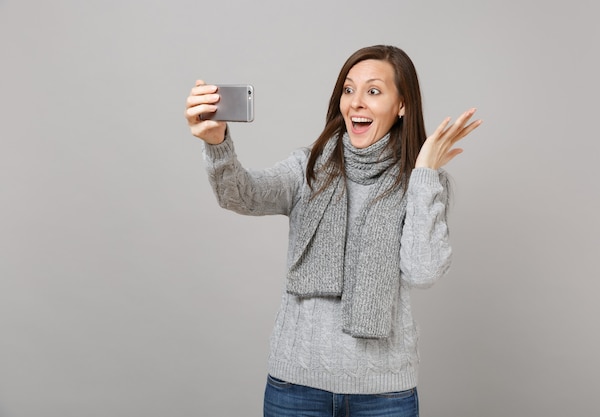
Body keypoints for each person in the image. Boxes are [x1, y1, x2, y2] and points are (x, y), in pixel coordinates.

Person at [184, 45, 481, 417]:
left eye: (373, 91)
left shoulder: (423, 185)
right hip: (296, 387)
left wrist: (423, 174)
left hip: (384, 395)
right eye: (348, 89)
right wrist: (217, 146)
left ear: (402, 104)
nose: (356, 102)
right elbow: (241, 196)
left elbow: (423, 270)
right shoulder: (306, 168)